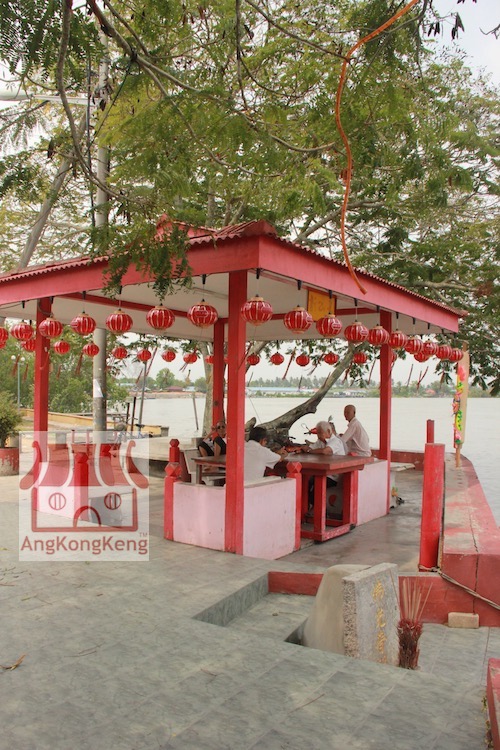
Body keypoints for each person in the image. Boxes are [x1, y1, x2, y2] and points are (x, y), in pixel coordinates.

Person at [300, 421, 346, 506]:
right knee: (306, 483)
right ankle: (308, 506)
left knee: (315, 486)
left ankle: (318, 509)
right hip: (323, 472)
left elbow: (325, 451)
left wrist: (309, 451)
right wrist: (303, 449)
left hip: (334, 476)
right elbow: (311, 448)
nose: (318, 435)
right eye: (318, 433)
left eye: (320, 433)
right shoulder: (320, 441)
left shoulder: (336, 441)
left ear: (328, 431)